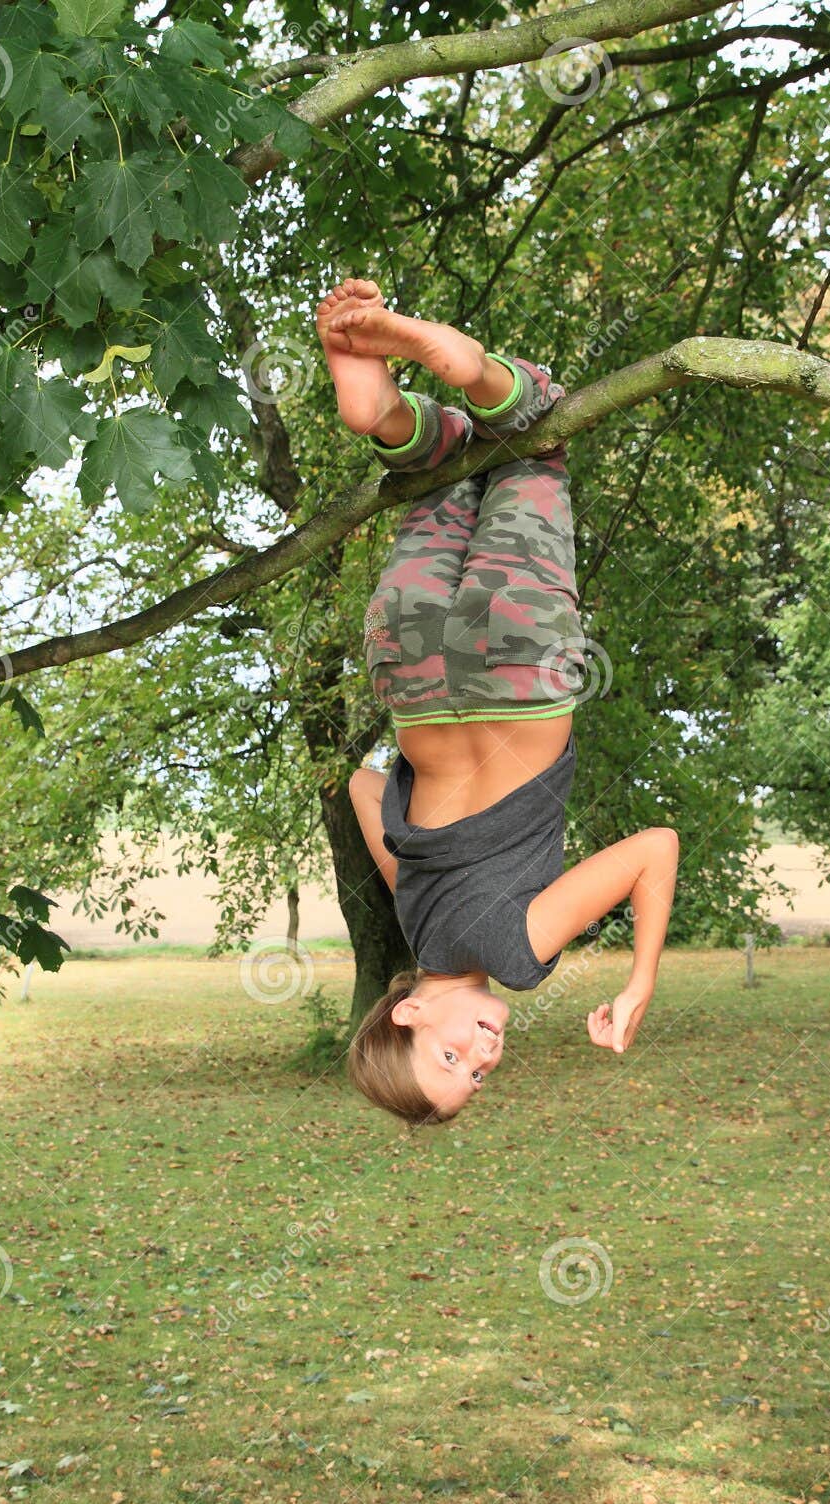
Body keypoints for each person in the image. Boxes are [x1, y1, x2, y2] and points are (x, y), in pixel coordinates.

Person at [315, 279, 679, 1125]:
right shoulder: (417, 907)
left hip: (516, 668)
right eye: (475, 1077)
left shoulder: (516, 954)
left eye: (450, 1057)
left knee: (534, 437)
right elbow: (367, 787)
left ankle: (473, 374)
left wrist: (639, 984)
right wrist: (414, 846)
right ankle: (385, 416)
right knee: (438, 471)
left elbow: (654, 848)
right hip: (411, 669)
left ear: (407, 1011)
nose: (482, 1056)